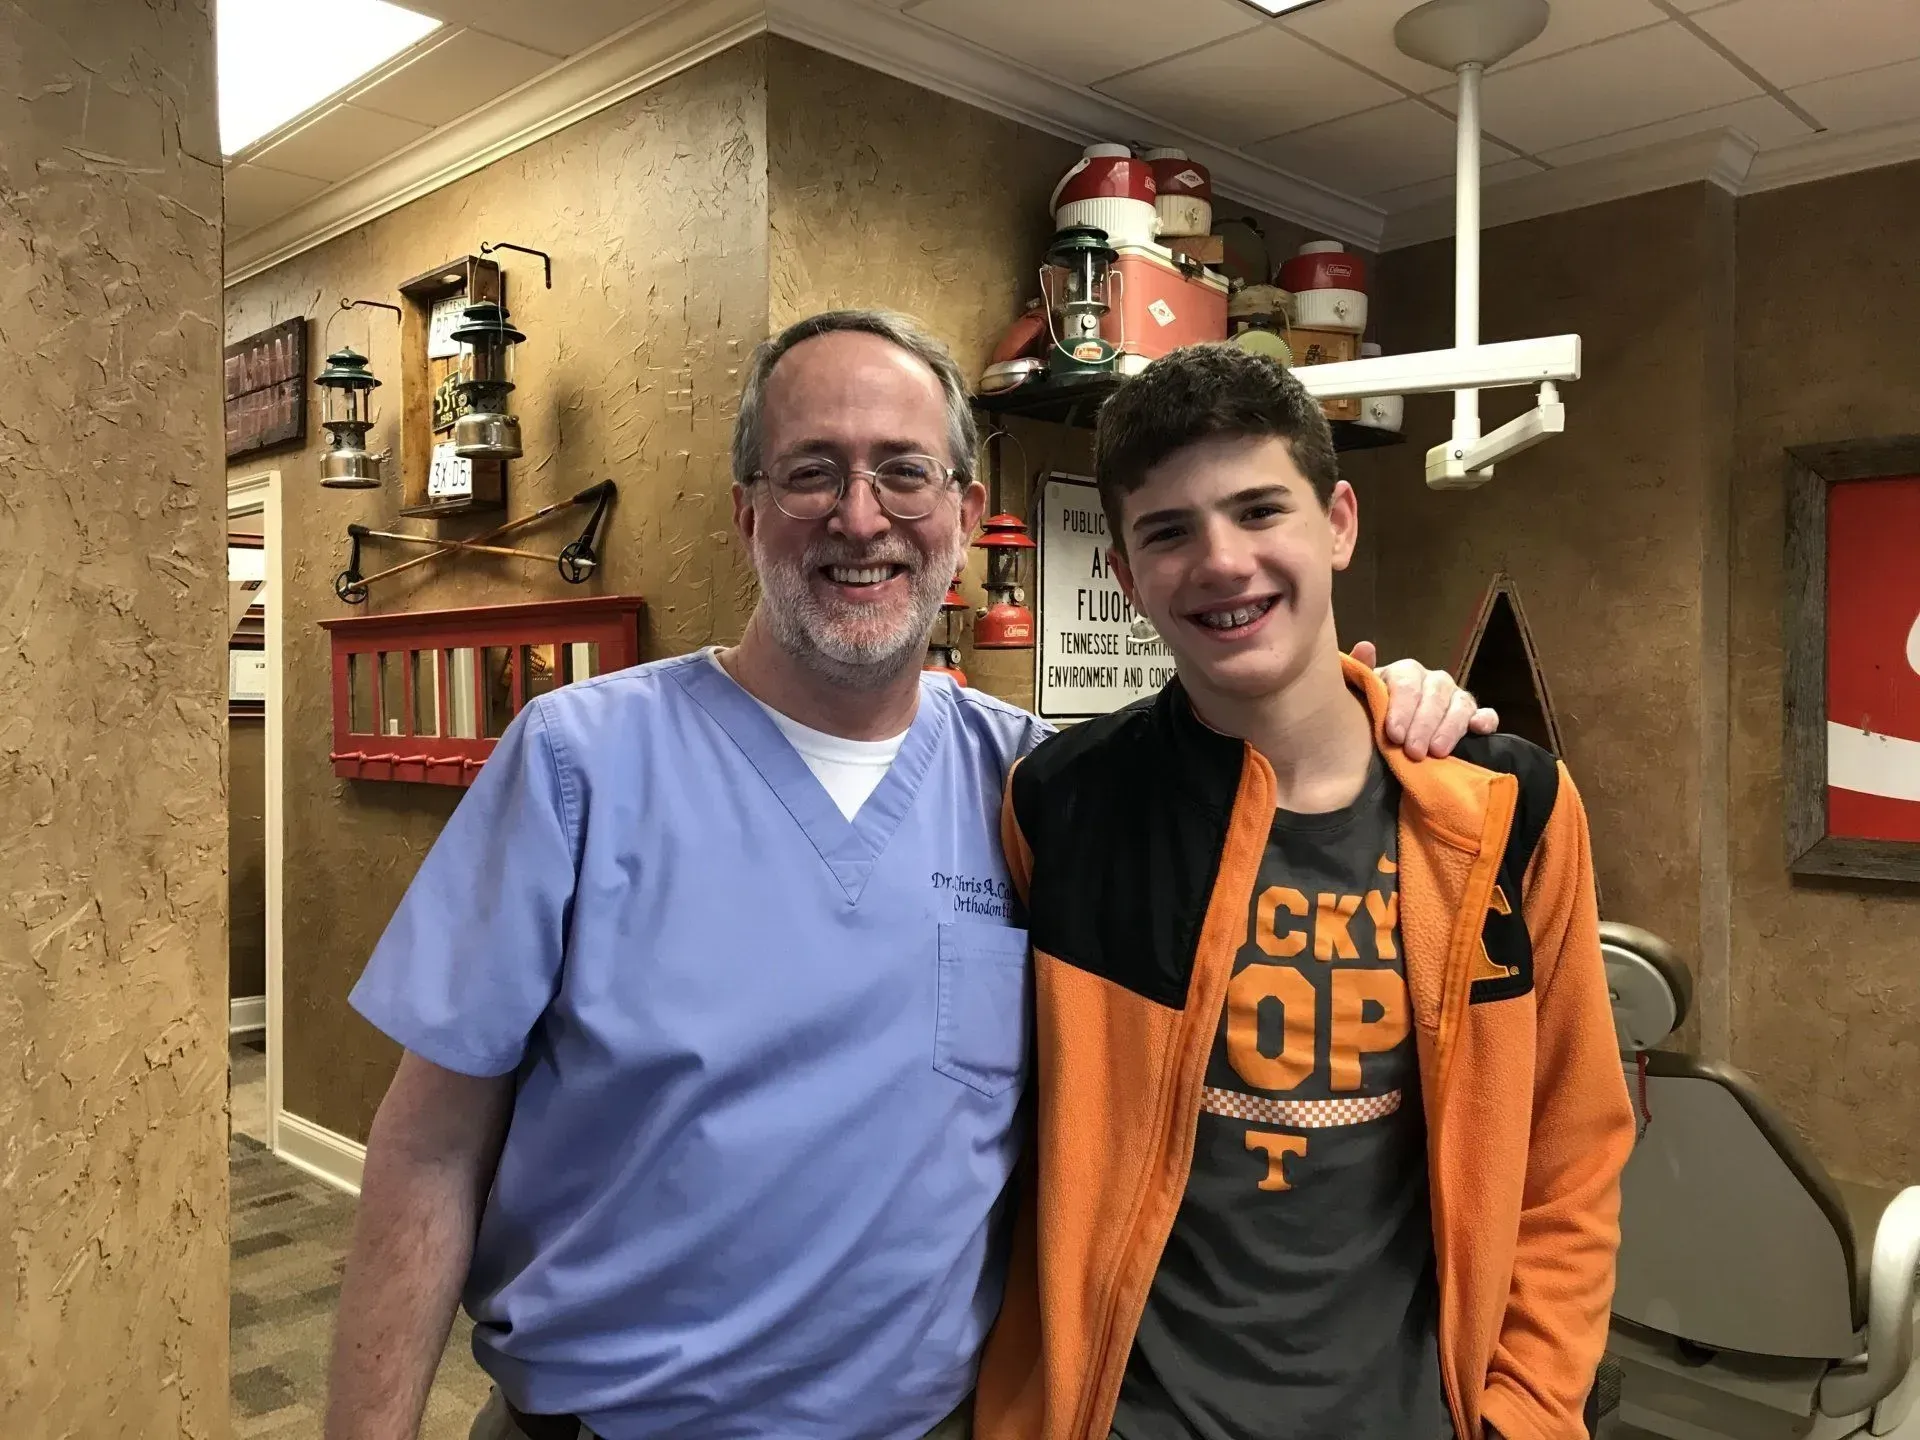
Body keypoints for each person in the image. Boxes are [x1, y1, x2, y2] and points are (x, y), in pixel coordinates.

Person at [320, 311, 1495, 1440]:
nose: (860, 516)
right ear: (746, 512)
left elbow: (1259, 755)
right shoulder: (582, 763)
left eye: (904, 472)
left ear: (966, 510)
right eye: (811, 472)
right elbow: (429, 1149)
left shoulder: (1040, 789)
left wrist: (1381, 700)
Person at [974, 344, 1635, 1440]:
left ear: (1337, 521)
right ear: (1128, 577)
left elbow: (1570, 1156)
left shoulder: (1506, 810)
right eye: (1169, 531)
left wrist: (1525, 1413)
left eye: (1257, 510)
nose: (1222, 562)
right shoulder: (1058, 805)